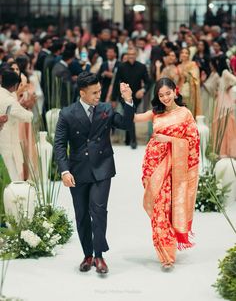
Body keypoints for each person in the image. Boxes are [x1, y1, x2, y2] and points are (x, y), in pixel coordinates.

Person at [54, 72, 134, 274]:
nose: (99, 95)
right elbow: (60, 145)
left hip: (102, 168)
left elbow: (125, 124)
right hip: (78, 171)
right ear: (82, 93)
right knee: (81, 215)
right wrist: (64, 170)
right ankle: (87, 254)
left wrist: (128, 101)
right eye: (94, 93)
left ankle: (99, 256)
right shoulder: (67, 113)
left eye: (99, 91)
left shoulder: (106, 108)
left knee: (98, 212)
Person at [134, 77, 200, 271]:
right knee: (158, 209)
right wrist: (127, 99)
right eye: (161, 95)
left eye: (168, 93)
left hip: (174, 168)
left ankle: (167, 254)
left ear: (175, 92)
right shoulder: (155, 113)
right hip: (153, 165)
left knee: (167, 208)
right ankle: (165, 253)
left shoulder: (185, 114)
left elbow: (193, 141)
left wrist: (169, 139)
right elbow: (135, 118)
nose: (164, 98)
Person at [0, 69, 33, 181]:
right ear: (15, 85)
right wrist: (29, 107)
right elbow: (27, 117)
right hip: (7, 141)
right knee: (11, 176)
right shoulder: (10, 100)